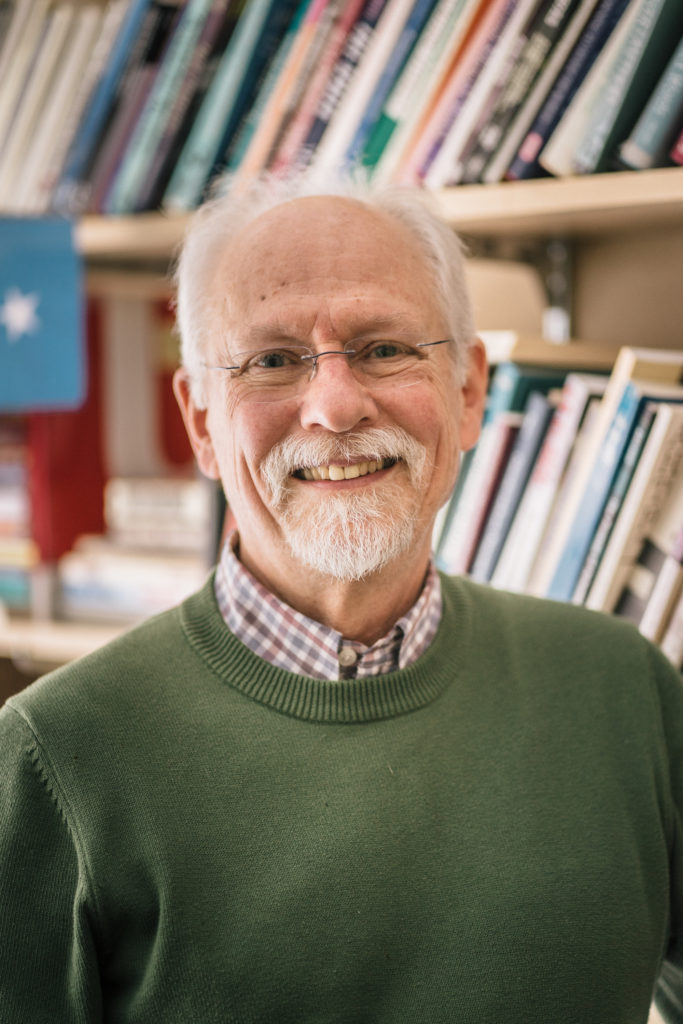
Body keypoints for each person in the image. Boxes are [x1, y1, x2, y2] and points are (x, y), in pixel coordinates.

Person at [0, 175, 681, 1024]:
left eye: (383, 348)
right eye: (274, 361)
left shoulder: (628, 692)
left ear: (467, 393)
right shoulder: (52, 758)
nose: (332, 406)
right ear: (203, 422)